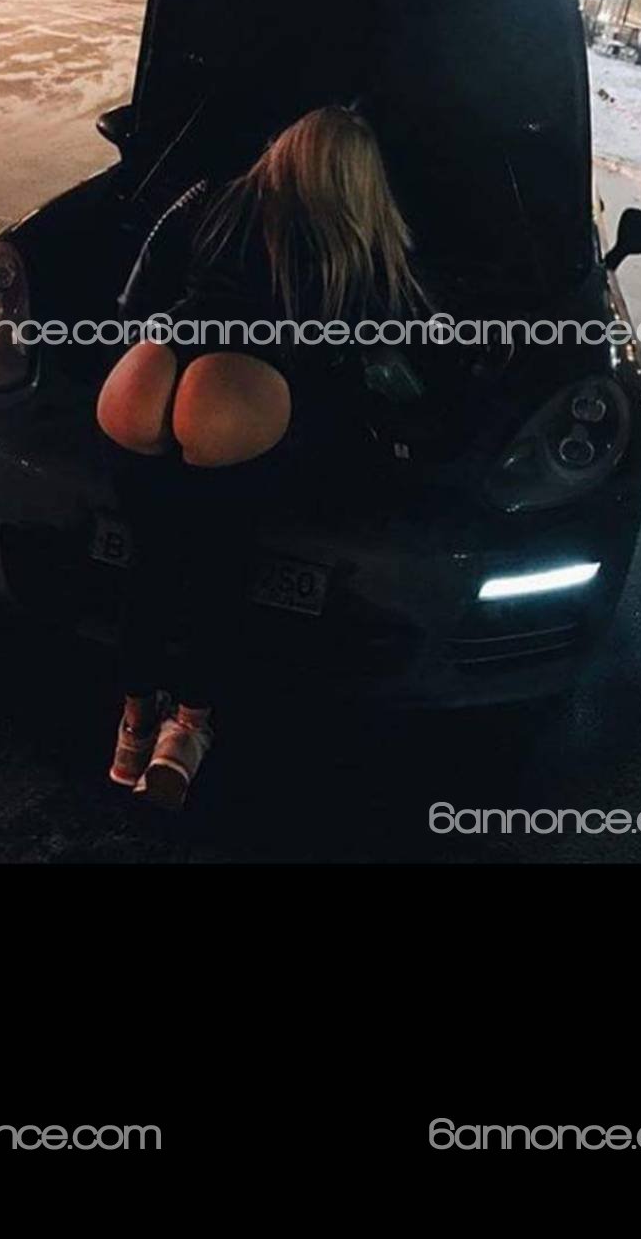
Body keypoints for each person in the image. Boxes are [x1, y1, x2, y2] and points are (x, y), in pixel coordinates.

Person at [95, 105, 430, 810]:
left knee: (151, 560)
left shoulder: (208, 197)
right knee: (214, 569)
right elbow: (381, 354)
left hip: (145, 375)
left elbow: (135, 293)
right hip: (235, 389)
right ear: (355, 177)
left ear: (284, 149)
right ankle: (186, 733)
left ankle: (132, 726)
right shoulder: (351, 237)